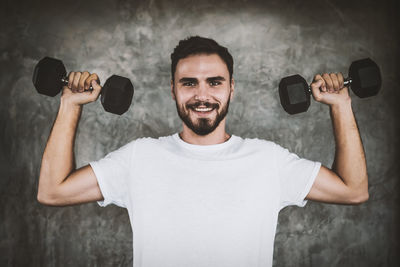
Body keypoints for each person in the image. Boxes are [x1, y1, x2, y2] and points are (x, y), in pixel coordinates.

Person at [37, 36, 369, 267]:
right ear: (172, 89)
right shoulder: (140, 157)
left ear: (231, 88)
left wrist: (340, 104)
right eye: (189, 83)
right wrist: (70, 103)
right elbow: (53, 191)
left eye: (214, 82)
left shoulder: (268, 160)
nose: (202, 94)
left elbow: (353, 191)